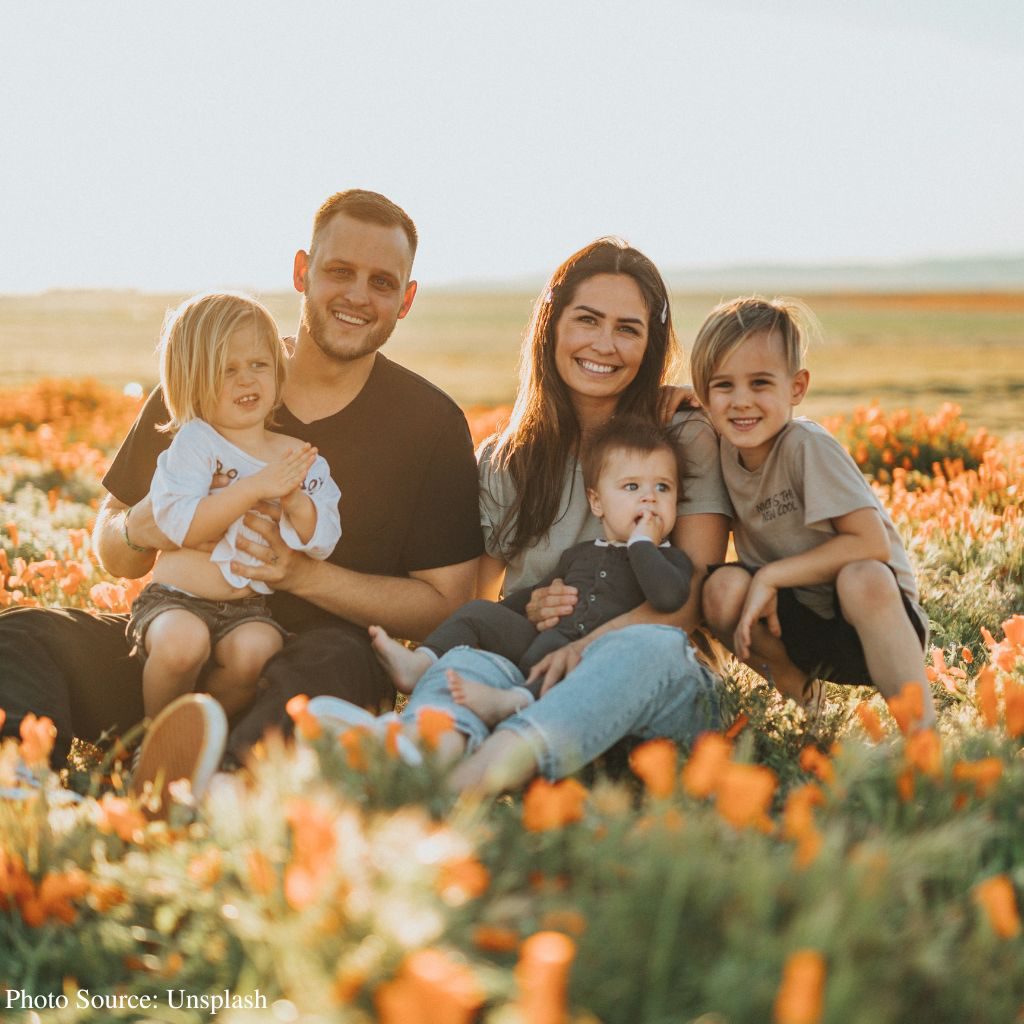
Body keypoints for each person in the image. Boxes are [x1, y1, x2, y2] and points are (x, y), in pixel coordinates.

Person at [0, 190, 483, 795]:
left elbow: (445, 602)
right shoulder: (212, 375)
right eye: (340, 272)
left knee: (338, 660)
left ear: (406, 300)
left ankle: (216, 785)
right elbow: (114, 541)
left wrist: (301, 576)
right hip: (173, 654)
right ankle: (19, 788)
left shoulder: (429, 424)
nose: (358, 295)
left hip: (301, 675)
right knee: (24, 635)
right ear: (302, 271)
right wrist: (138, 530)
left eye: (382, 281)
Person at [315, 237, 732, 793]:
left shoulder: (681, 437)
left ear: (650, 343)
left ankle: (473, 779)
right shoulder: (506, 459)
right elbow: (472, 601)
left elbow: (690, 604)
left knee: (642, 648)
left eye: (628, 329)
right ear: (551, 325)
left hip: (655, 687)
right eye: (587, 320)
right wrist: (528, 606)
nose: (604, 344)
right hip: (531, 676)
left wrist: (586, 646)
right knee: (470, 658)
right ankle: (419, 750)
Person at [690, 296, 936, 728]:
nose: (741, 401)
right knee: (720, 589)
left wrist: (770, 575)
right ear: (704, 395)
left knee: (862, 576)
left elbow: (870, 543)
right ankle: (809, 710)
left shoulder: (807, 447)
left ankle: (921, 736)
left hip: (872, 623)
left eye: (761, 383)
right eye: (724, 385)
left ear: (797, 388)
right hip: (798, 626)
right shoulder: (722, 450)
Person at [370, 416, 693, 726]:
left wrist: (642, 545)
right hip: (541, 642)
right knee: (478, 612)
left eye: (663, 488)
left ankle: (513, 701)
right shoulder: (580, 554)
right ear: (597, 503)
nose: (650, 498)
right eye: (632, 486)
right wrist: (508, 614)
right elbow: (531, 595)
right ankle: (421, 663)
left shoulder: (671, 561)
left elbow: (667, 597)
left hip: (595, 661)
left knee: (563, 662)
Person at [130, 291, 341, 721]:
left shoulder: (298, 455)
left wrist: (293, 500)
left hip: (247, 609)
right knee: (182, 644)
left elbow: (323, 540)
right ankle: (153, 738)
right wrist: (254, 487)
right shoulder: (195, 442)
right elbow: (181, 526)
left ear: (278, 372)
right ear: (192, 380)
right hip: (175, 599)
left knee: (258, 650)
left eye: (258, 365)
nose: (247, 380)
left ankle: (203, 736)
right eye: (227, 370)